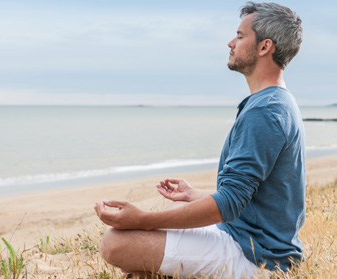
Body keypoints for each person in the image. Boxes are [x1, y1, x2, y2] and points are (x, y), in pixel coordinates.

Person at [94, 2, 305, 278]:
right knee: (181, 206)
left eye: (240, 36)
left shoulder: (265, 111)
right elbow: (254, 196)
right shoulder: (275, 101)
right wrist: (194, 195)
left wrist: (143, 219)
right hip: (250, 238)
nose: (231, 43)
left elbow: (230, 202)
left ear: (265, 47)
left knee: (115, 243)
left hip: (258, 258)